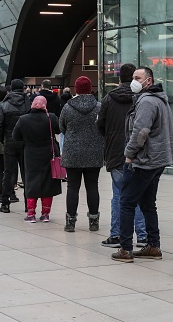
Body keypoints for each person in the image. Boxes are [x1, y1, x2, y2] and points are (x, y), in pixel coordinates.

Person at [111, 67, 173, 263]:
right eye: (133, 77)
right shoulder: (159, 99)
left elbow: (140, 132)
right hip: (157, 159)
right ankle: (153, 246)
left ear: (148, 81)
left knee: (126, 202)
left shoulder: (147, 101)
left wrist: (129, 155)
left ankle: (125, 249)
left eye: (137, 78)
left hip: (144, 160)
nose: (133, 81)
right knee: (148, 203)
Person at [97, 63, 147, 248]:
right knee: (139, 194)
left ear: (119, 78)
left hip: (116, 153)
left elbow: (100, 124)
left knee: (118, 195)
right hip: (139, 153)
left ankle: (116, 235)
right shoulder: (142, 97)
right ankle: (142, 236)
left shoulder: (109, 99)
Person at [59, 76, 104, 232]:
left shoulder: (67, 107)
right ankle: (93, 221)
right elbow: (103, 127)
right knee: (92, 186)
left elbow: (62, 127)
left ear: (76, 89)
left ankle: (70, 221)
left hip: (73, 152)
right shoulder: (99, 107)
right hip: (94, 152)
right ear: (90, 88)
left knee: (72, 187)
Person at [13, 96, 62, 222]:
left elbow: (15, 136)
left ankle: (31, 214)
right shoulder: (51, 117)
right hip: (49, 152)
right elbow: (58, 130)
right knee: (48, 183)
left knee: (31, 182)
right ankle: (45, 214)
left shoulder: (23, 119)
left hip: (30, 153)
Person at [0, 79, 30, 212]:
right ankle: (29, 204)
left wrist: (1, 139)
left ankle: (5, 203)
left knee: (8, 173)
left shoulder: (4, 104)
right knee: (26, 173)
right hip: (25, 142)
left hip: (9, 141)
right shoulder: (28, 103)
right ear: (22, 88)